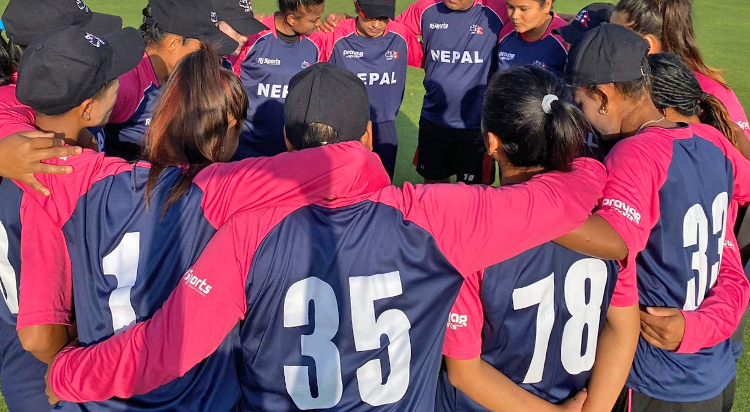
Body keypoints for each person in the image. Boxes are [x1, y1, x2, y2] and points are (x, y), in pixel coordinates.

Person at [45, 63, 614, 411]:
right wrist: (589, 168)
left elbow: (165, 349)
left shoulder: (247, 232)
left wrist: (68, 371)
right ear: (367, 134)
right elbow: (555, 201)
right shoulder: (437, 215)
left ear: (288, 146)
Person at [0, 34, 393, 412]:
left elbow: (36, 335)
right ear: (226, 127)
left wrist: (71, 370)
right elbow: (347, 163)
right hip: (196, 395)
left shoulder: (56, 180)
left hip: (98, 395)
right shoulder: (220, 190)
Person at [0, 24, 145, 412]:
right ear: (88, 108)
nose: (121, 86)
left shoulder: (21, 125)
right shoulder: (59, 173)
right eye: (113, 83)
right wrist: (68, 368)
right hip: (41, 337)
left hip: (1, 298)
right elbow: (37, 335)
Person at [568, 24, 750, 412]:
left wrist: (522, 209)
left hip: (655, 378)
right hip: (714, 372)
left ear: (603, 96)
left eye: (583, 104)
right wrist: (698, 328)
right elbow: (731, 263)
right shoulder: (711, 141)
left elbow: (615, 239)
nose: (584, 117)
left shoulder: (635, 153)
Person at [438, 67, 639, 412]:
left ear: (492, 143)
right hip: (578, 397)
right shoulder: (604, 225)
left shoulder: (470, 236)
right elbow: (623, 327)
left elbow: (463, 371)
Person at [612, 0, 750, 189]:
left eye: (614, 36)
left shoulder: (704, 89)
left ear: (648, 45)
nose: (607, 44)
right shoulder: (648, 79)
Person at [396, 0, 508, 183]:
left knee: (475, 195)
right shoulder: (426, 7)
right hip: (434, 120)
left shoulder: (498, 9)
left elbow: (537, 15)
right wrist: (343, 20)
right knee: (433, 188)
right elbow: (390, 30)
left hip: (477, 126)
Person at [103, 0, 237, 160]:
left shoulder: (178, 72)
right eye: (204, 47)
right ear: (173, 43)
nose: (214, 56)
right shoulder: (126, 83)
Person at [323, 0, 423, 177]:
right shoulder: (335, 34)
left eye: (383, 17)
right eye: (369, 16)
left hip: (385, 126)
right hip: (343, 128)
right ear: (356, 7)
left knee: (383, 184)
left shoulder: (401, 35)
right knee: (344, 187)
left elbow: (432, 60)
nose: (376, 24)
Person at [229, 0, 329, 158]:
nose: (319, 23)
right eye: (313, 19)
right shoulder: (253, 36)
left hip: (290, 154)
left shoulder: (316, 43)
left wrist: (343, 16)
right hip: (246, 150)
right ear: (291, 19)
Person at [496, 0, 569, 76]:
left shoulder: (565, 41)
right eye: (510, 7)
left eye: (523, 9)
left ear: (546, 5)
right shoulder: (506, 32)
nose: (515, 16)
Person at [202, 0, 267, 65]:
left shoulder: (226, 63)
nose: (245, 38)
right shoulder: (190, 69)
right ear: (213, 22)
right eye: (238, 29)